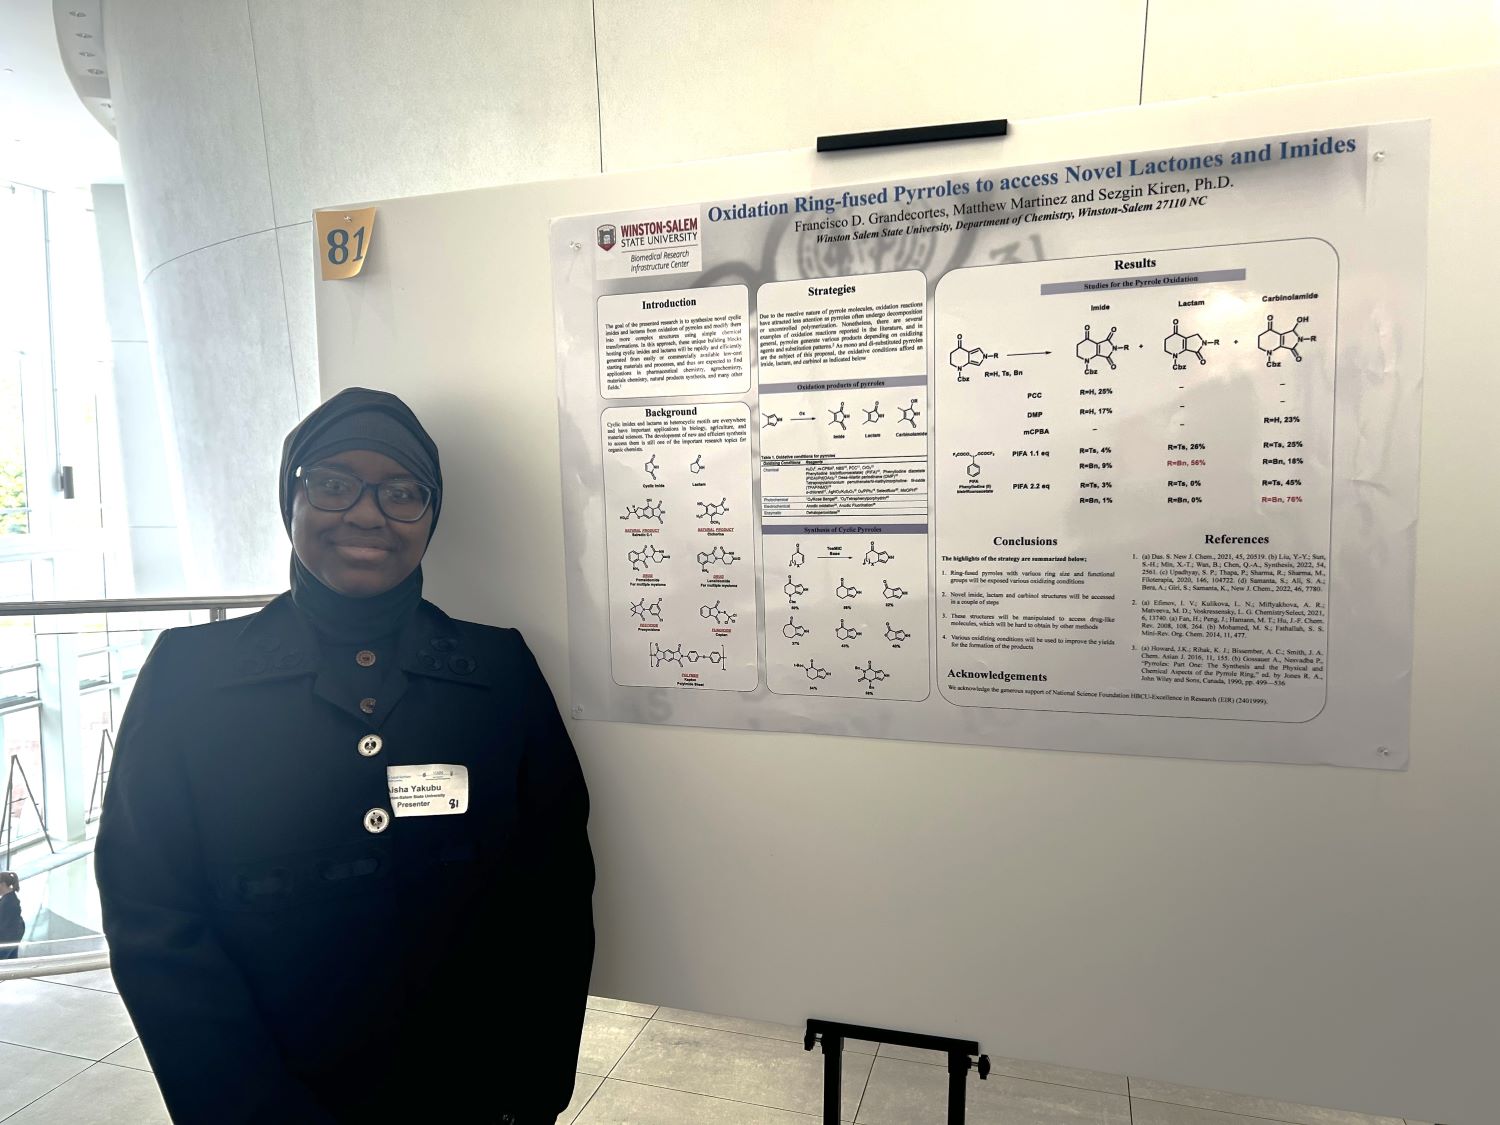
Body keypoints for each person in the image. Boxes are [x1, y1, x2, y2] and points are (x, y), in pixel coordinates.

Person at [96, 388, 594, 1124]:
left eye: (401, 491)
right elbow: (151, 917)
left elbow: (552, 901)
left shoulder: (500, 673)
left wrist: (525, 1095)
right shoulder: (187, 677)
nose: (367, 513)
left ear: (431, 514)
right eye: (332, 483)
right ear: (289, 498)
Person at [0, 871, 23, 959]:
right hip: (12, 940)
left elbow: (4, 925)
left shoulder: (7, 902)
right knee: (11, 964)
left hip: (5, 942)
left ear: (2, 884)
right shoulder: (11, 899)